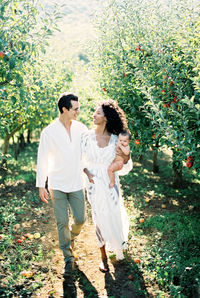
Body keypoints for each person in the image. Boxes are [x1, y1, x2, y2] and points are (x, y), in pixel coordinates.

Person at [36, 92, 88, 277]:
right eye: (75, 109)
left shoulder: (81, 129)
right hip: (57, 183)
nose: (78, 112)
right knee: (62, 222)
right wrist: (41, 184)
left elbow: (90, 150)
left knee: (81, 219)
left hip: (75, 182)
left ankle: (70, 238)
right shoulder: (49, 132)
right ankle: (68, 258)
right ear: (64, 109)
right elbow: (42, 158)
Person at [82, 99, 133, 272]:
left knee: (113, 213)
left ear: (106, 117)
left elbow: (124, 164)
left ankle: (118, 246)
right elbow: (78, 160)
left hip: (111, 183)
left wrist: (125, 156)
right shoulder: (86, 137)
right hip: (93, 182)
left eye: (98, 113)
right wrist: (87, 173)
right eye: (94, 112)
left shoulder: (114, 140)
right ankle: (102, 256)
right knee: (98, 217)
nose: (94, 115)